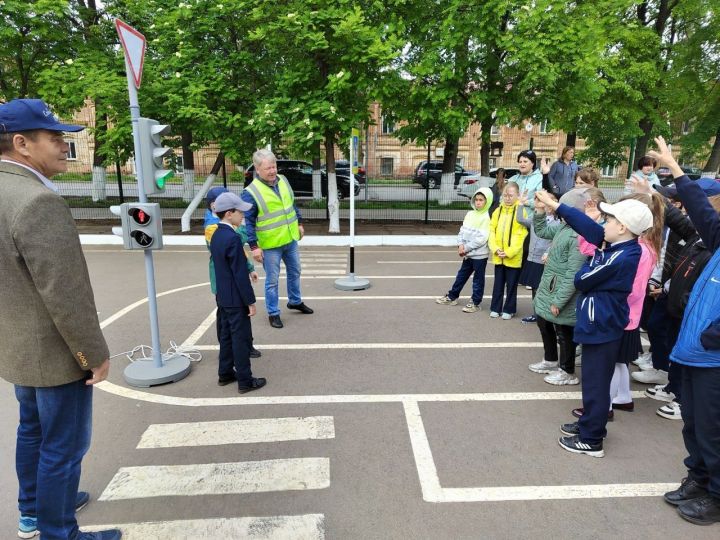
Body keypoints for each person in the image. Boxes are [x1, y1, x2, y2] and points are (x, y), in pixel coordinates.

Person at [0, 99, 121, 539]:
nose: (62, 146)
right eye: (54, 139)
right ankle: (58, 532)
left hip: (15, 347)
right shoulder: (37, 201)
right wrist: (94, 355)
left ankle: (33, 509)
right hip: (55, 354)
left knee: (31, 430)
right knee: (63, 447)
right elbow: (66, 295)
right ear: (21, 144)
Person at [535, 189, 653, 458]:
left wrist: (588, 267)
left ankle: (592, 439)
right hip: (596, 323)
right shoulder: (615, 245)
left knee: (597, 384)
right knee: (592, 381)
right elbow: (587, 226)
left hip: (602, 326)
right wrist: (556, 205)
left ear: (622, 228)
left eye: (609, 220)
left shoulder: (622, 256)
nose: (603, 222)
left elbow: (582, 280)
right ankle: (589, 424)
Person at [647, 136, 720, 525]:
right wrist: (674, 168)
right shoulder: (718, 238)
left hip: (714, 355)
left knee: (713, 429)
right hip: (694, 351)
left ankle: (717, 495)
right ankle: (699, 478)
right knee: (693, 424)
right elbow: (698, 214)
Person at [241, 149, 313, 329]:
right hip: (270, 245)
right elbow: (248, 223)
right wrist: (254, 247)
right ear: (258, 169)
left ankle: (295, 301)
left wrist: (299, 223)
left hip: (290, 238)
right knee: (272, 281)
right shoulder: (251, 192)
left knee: (295, 271)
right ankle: (273, 313)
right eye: (268, 168)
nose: (272, 171)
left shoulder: (283, 181)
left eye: (274, 166)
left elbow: (291, 204)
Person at [528, 189, 589, 386]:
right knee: (544, 323)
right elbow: (543, 231)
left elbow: (573, 273)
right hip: (550, 287)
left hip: (562, 293)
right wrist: (539, 211)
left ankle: (567, 371)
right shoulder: (565, 227)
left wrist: (559, 300)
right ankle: (550, 359)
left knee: (564, 332)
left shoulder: (578, 235)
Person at [210, 192, 267, 394]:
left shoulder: (216, 234)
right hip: (235, 298)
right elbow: (238, 274)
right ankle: (245, 380)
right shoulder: (233, 238)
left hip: (223, 296)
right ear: (228, 213)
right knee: (240, 338)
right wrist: (250, 301)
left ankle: (225, 373)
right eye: (239, 211)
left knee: (226, 335)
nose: (242, 215)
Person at [204, 186, 261, 360]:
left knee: (241, 317)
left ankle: (246, 344)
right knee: (226, 319)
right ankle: (229, 350)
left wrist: (250, 268)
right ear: (216, 205)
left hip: (234, 276)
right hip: (224, 281)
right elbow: (239, 239)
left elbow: (240, 251)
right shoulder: (211, 227)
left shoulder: (226, 226)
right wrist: (242, 228)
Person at [435, 187, 493, 312]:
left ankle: (475, 302)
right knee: (461, 276)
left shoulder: (486, 217)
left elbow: (481, 239)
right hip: (467, 254)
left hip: (479, 256)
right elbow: (462, 230)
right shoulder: (470, 214)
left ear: (487, 202)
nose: (478, 202)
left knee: (478, 280)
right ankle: (452, 296)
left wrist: (466, 248)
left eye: (481, 200)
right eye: (476, 199)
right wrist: (460, 244)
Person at [488, 182, 528, 319]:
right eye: (505, 195)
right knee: (498, 283)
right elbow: (491, 230)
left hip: (513, 257)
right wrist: (495, 248)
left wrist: (510, 251)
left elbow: (521, 235)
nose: (508, 198)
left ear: (517, 195)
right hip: (499, 255)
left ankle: (509, 309)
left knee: (511, 285)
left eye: (511, 195)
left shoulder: (520, 211)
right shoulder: (497, 211)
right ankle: (495, 307)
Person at [517, 191, 558, 324]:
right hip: (533, 259)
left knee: (545, 288)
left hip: (545, 261)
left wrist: (548, 252)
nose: (539, 206)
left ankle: (545, 313)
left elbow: (555, 242)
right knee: (535, 287)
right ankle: (536, 313)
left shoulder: (556, 224)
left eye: (544, 204)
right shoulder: (535, 219)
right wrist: (520, 205)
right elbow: (520, 220)